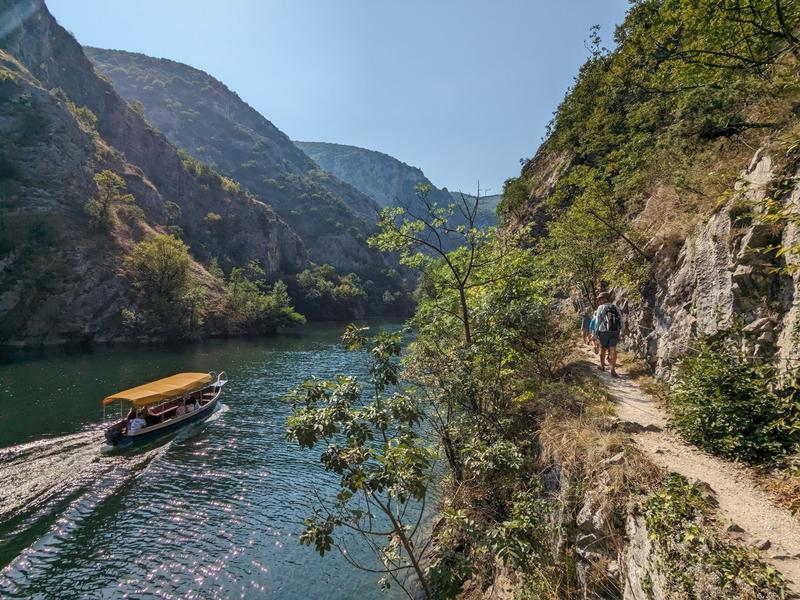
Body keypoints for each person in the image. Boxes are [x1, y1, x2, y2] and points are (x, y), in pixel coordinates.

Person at [593, 292, 624, 377]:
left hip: (603, 331)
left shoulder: (600, 307)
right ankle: (612, 369)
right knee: (613, 349)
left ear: (604, 299)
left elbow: (598, 321)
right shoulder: (615, 306)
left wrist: (595, 332)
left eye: (599, 299)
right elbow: (621, 319)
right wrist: (622, 331)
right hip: (615, 331)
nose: (598, 301)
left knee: (603, 348)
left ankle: (602, 366)